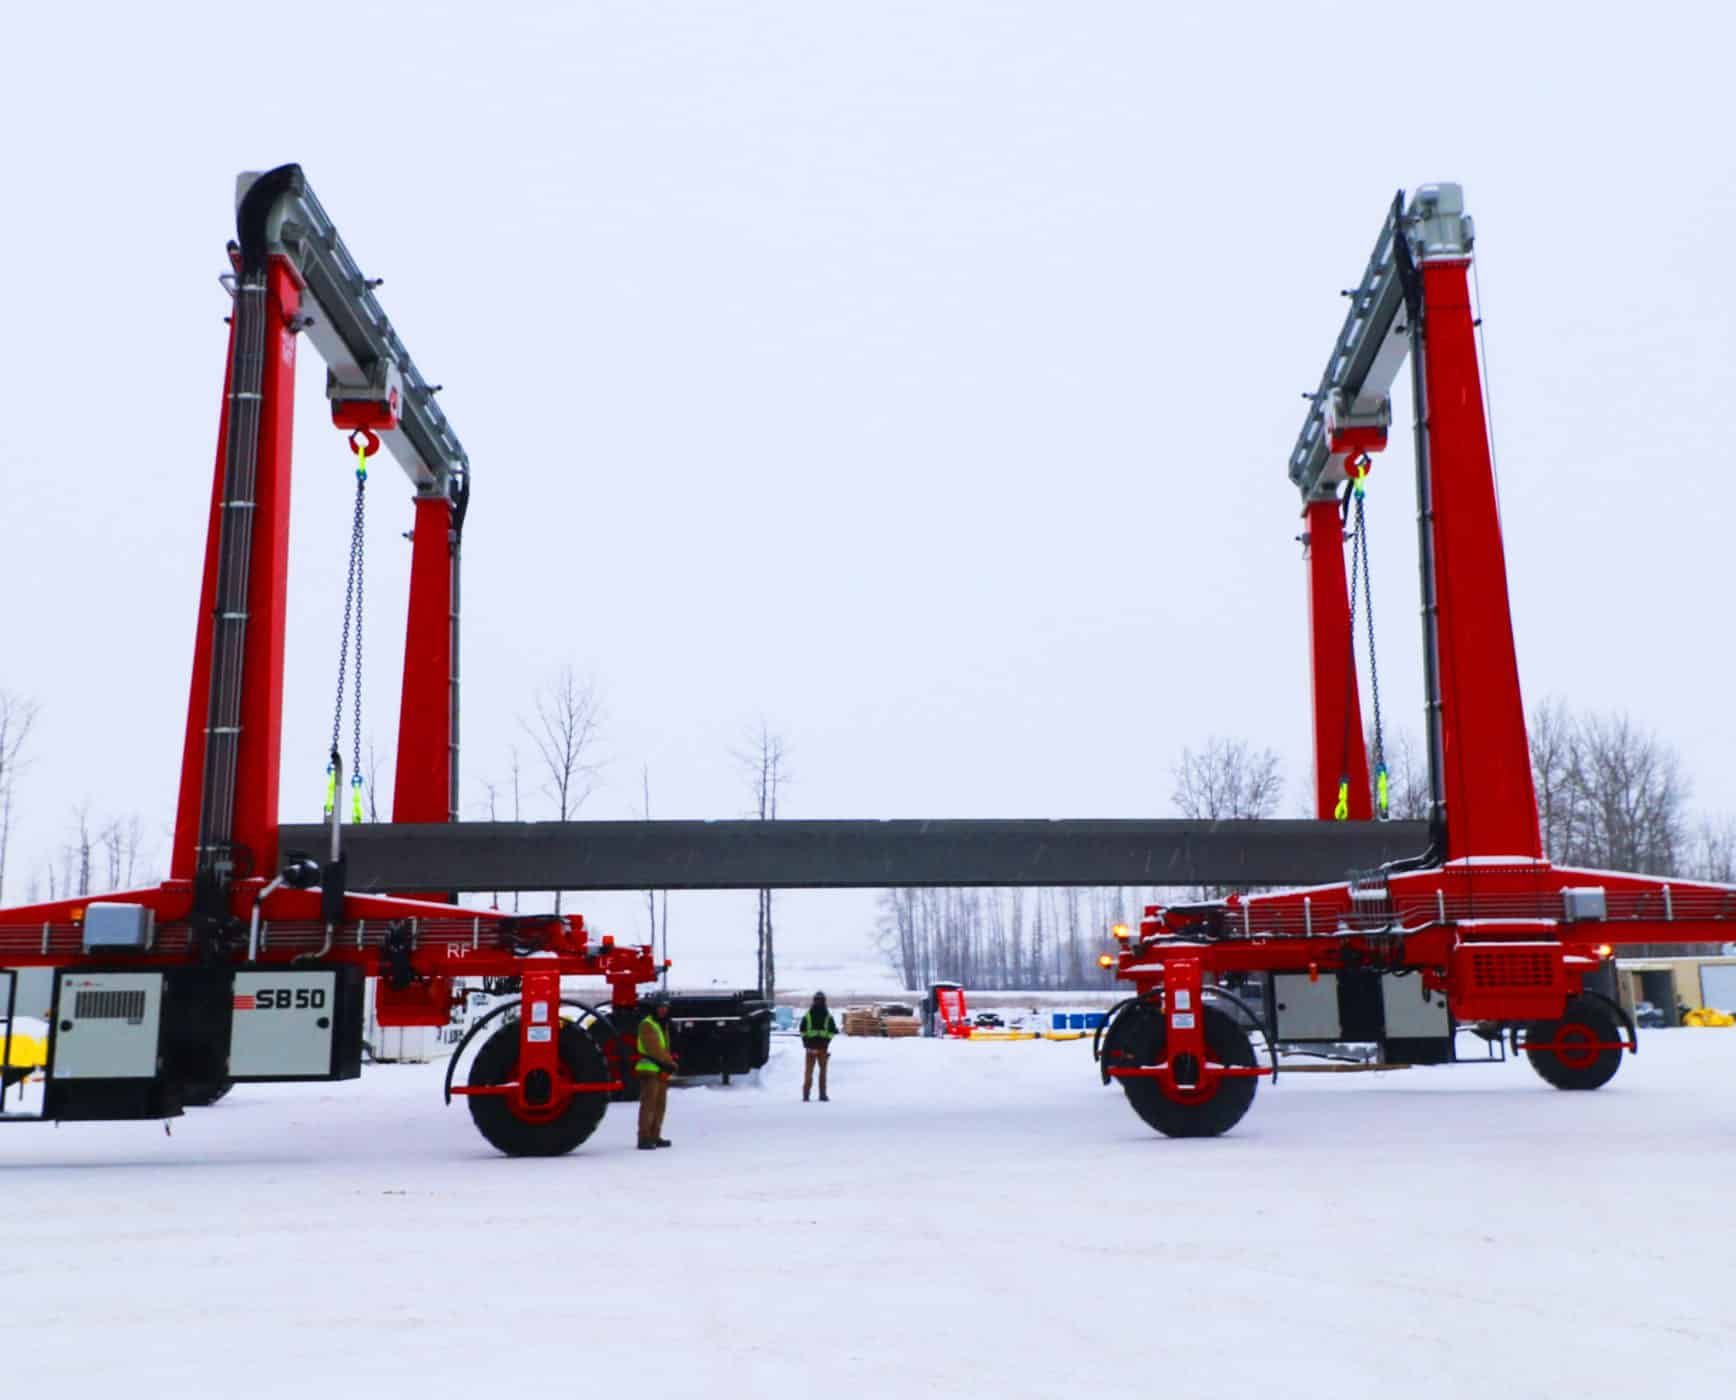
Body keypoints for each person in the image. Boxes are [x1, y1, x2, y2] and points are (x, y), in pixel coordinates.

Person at [635, 995, 676, 1149]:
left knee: (660, 1105)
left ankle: (655, 1135)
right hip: (649, 1070)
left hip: (660, 1070)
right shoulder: (647, 1024)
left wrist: (669, 1062)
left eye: (666, 1007)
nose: (664, 1010)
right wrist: (670, 1063)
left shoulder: (661, 1024)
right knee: (649, 1105)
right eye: (661, 1006)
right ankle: (644, 1137)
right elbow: (655, 1049)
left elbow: (664, 1048)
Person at [800, 991, 838, 1102]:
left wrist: (806, 1042)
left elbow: (802, 1031)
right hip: (822, 1048)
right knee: (822, 1073)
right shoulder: (828, 1016)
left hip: (811, 1048)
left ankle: (806, 1096)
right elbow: (832, 1031)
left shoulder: (808, 1015)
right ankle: (822, 1095)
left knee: (808, 1073)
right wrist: (827, 1041)